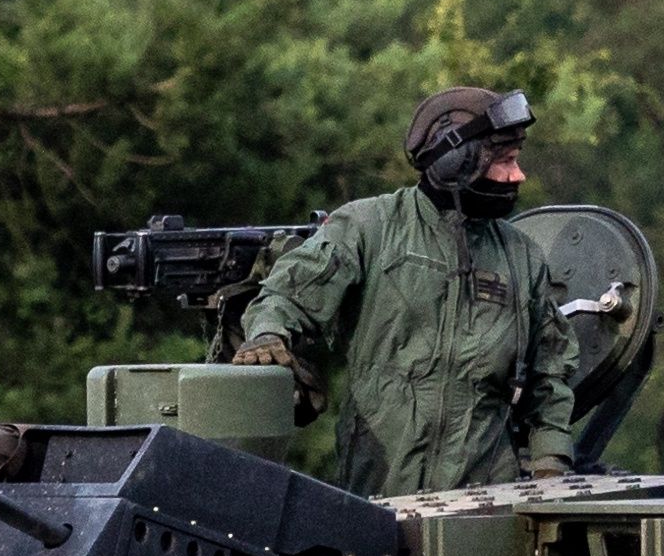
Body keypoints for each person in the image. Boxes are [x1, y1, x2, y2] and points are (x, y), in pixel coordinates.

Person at [233, 84, 580, 498]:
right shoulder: (369, 228)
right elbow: (287, 294)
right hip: (376, 495)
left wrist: (550, 466)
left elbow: (551, 375)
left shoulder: (522, 258)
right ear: (455, 160)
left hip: (484, 506)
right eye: (505, 161)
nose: (517, 175)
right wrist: (268, 333)